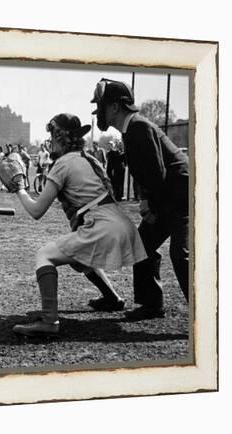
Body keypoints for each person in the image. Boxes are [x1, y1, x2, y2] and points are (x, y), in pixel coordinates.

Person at [0, 113, 146, 336]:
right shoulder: (88, 157)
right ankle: (112, 298)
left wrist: (19, 188)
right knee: (78, 258)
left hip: (103, 224)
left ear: (60, 138)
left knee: (44, 255)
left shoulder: (62, 164)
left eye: (52, 136)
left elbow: (36, 211)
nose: (50, 141)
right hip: (121, 223)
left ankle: (49, 323)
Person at [91, 78, 189, 319]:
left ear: (115, 107)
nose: (99, 113)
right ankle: (152, 305)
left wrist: (151, 206)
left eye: (102, 107)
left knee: (181, 254)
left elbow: (158, 174)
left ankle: (209, 314)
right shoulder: (130, 129)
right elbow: (149, 174)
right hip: (167, 194)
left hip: (182, 195)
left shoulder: (139, 127)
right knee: (142, 245)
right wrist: (148, 201)